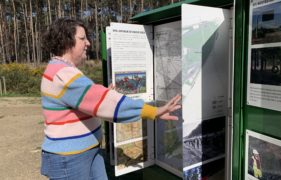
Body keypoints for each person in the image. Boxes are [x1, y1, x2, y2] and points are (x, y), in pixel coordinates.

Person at [40, 18, 181, 180]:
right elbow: (103, 102)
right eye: (82, 38)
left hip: (85, 151)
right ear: (66, 41)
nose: (88, 43)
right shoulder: (63, 74)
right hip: (70, 159)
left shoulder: (60, 69)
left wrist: (101, 96)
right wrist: (153, 111)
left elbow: (83, 101)